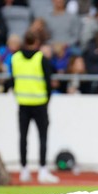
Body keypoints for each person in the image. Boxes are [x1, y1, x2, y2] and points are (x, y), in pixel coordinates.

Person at [11, 30, 59, 184]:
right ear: (37, 42)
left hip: (23, 103)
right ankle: (42, 170)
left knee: (23, 138)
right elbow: (48, 83)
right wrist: (46, 101)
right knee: (42, 137)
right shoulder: (41, 58)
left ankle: (24, 170)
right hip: (40, 104)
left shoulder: (15, 58)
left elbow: (13, 80)